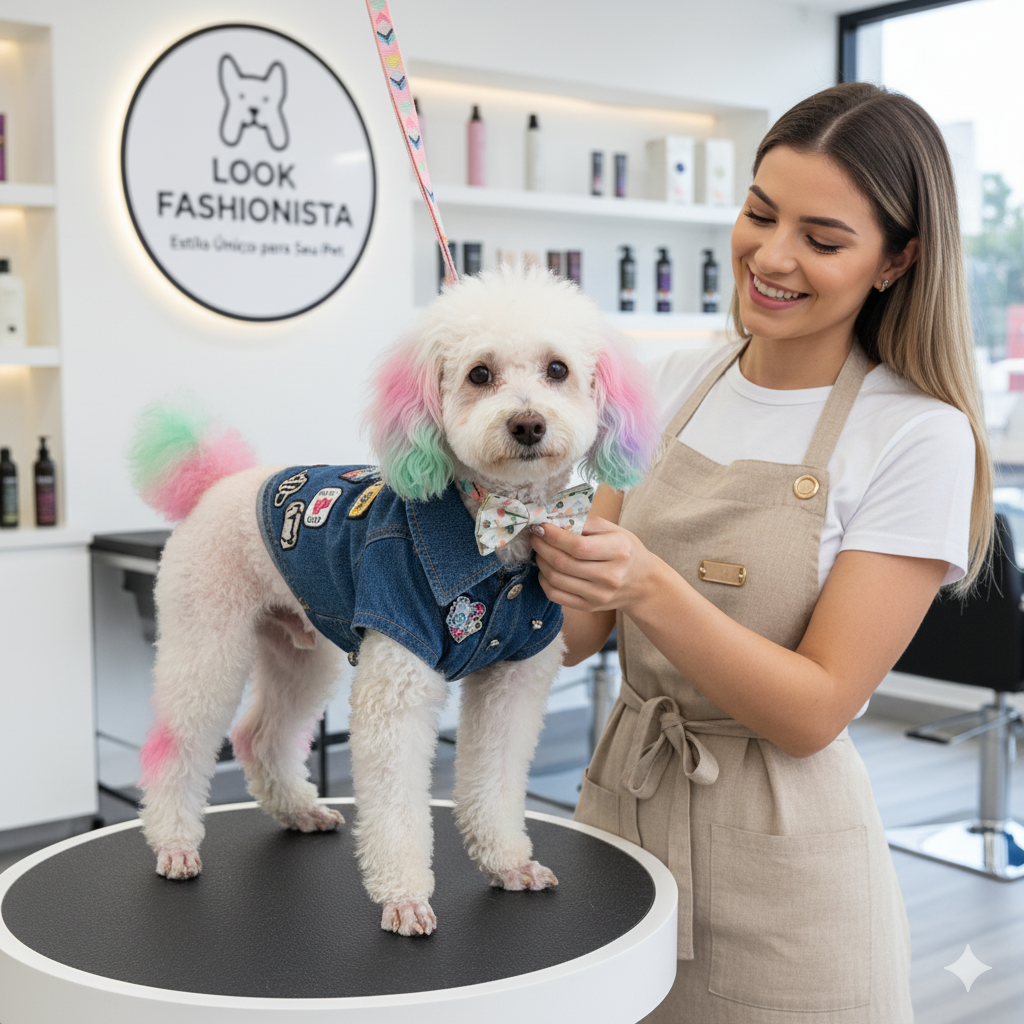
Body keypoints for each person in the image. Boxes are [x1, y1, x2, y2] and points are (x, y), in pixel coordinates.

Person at [530, 82, 993, 1024]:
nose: (773, 257)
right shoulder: (662, 381)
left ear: (898, 259)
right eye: (758, 213)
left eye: (823, 240)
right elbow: (571, 629)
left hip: (786, 873)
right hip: (620, 815)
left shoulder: (918, 436)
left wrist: (650, 585)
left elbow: (817, 709)